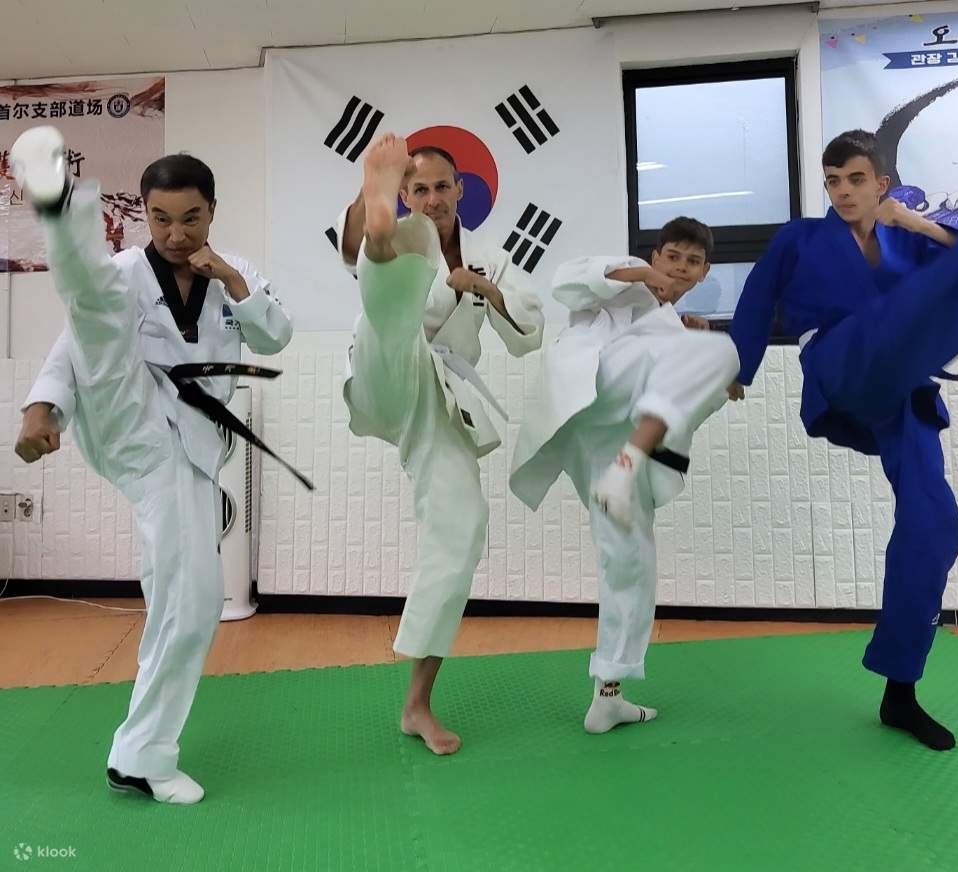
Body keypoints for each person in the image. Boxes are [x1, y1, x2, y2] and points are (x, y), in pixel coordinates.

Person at [728, 130, 958, 751]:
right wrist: (739, 368)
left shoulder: (901, 235)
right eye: (832, 181)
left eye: (856, 180)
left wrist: (922, 227)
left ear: (882, 184)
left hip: (901, 388)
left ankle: (900, 690)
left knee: (934, 523)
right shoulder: (801, 238)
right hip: (840, 360)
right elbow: (759, 296)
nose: (842, 192)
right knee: (887, 326)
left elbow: (947, 277)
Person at [13, 125, 294, 802]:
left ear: (212, 212)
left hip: (192, 449)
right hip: (132, 423)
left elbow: (275, 333)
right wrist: (41, 408)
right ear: (144, 213)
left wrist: (228, 277)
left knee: (189, 603)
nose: (175, 233)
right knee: (96, 305)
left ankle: (139, 752)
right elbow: (71, 345)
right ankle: (60, 209)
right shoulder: (125, 273)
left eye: (190, 218)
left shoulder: (239, 275)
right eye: (161, 219)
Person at [335, 133, 544, 754]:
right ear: (404, 193)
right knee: (394, 285)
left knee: (463, 528)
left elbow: (529, 334)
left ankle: (417, 704)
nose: (431, 198)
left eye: (441, 188)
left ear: (461, 192)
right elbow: (351, 252)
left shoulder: (492, 262)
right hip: (386, 364)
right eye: (416, 189)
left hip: (440, 398)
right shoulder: (408, 234)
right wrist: (370, 202)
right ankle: (380, 229)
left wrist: (483, 290)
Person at [510, 217, 740, 733]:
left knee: (630, 559)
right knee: (721, 349)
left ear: (704, 274)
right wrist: (636, 276)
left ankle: (607, 693)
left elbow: (684, 401)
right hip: (596, 386)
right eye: (672, 257)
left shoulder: (680, 331)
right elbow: (565, 280)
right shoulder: (618, 288)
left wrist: (711, 373)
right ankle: (632, 459)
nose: (679, 269)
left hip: (609, 442)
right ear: (655, 256)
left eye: (692, 262)